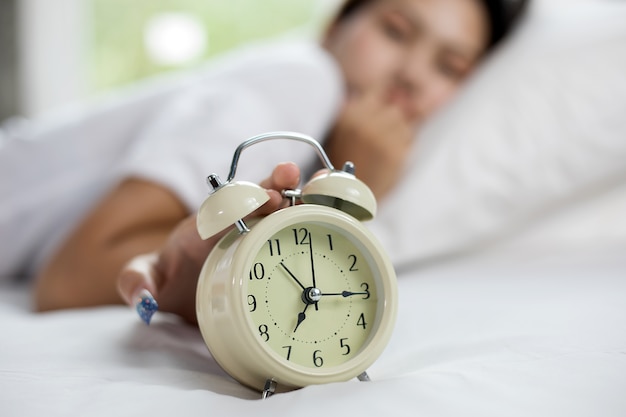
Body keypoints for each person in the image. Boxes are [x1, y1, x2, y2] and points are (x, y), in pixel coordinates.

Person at [1, 0, 528, 323]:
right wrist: (346, 180)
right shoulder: (302, 79)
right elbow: (70, 279)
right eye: (394, 31)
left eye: (449, 66)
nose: (411, 74)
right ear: (335, 24)